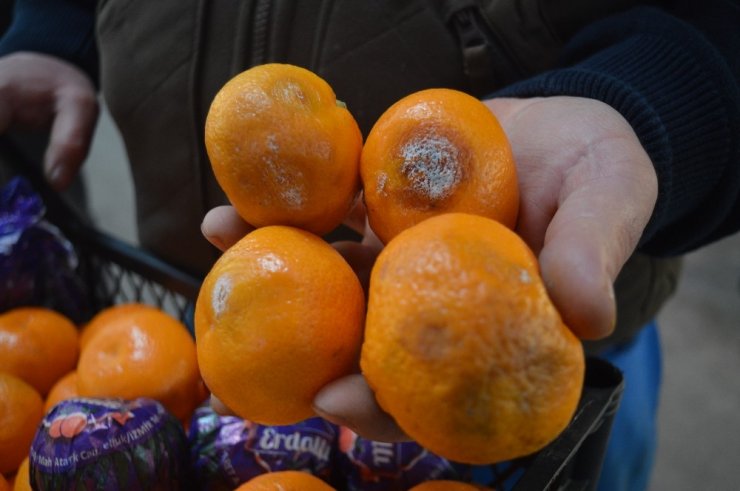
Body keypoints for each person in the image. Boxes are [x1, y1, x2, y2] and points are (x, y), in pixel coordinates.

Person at [1, 1, 738, 489]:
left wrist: (652, 105)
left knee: (575, 440)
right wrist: (55, 29)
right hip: (256, 288)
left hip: (543, 274)